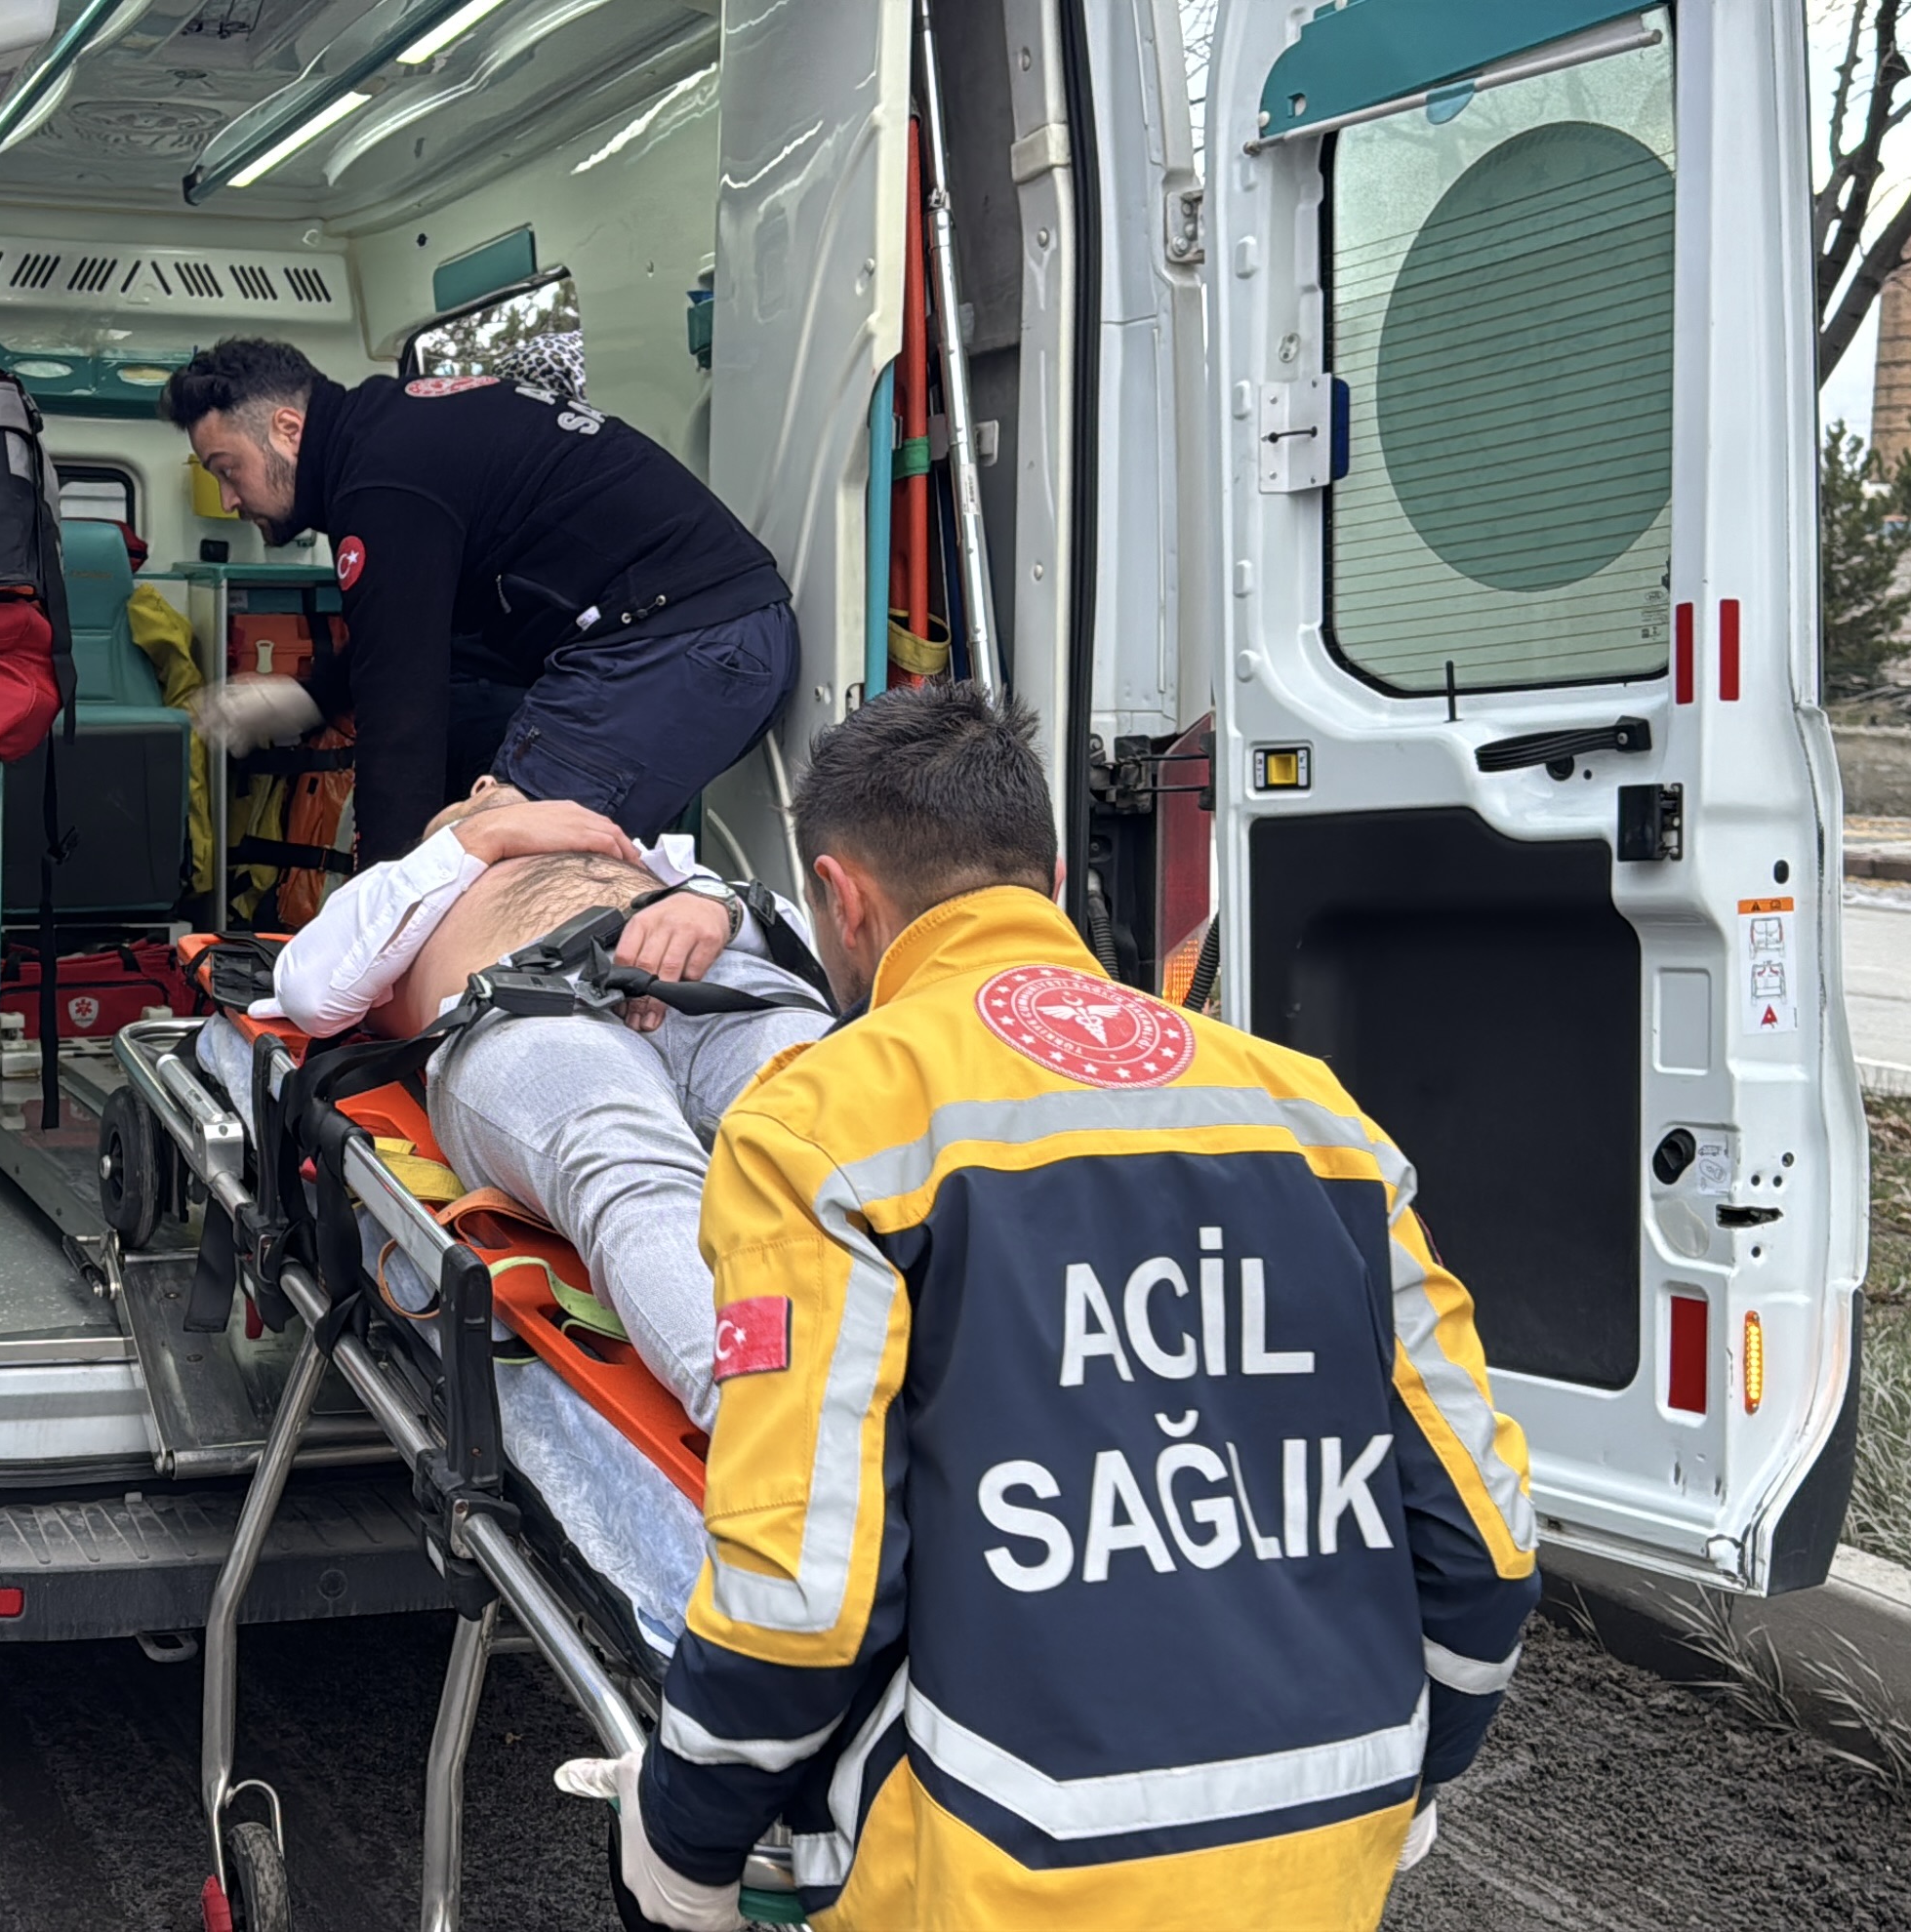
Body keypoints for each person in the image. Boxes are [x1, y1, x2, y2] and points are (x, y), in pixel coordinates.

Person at [584, 684, 1541, 1931]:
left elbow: (804, 1594)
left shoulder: (822, 1124)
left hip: (1005, 1859)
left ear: (840, 897)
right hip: (1327, 1848)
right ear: (1043, 877)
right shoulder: (1316, 1114)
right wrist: (1415, 1766)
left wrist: (682, 1842)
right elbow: (1483, 1541)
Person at [267, 781, 831, 1427]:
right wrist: (480, 836)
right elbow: (312, 993)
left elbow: (817, 946)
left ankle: (920, 1381)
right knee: (635, 1174)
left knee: (845, 1134)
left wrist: (718, 908)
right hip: (524, 1008)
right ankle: (785, 1432)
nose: (488, 783)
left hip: (720, 985)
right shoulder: (401, 882)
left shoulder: (650, 857)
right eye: (468, 795)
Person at [161, 338, 796, 865]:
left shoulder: (380, 483)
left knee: (506, 869)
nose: (228, 499)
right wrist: (312, 695)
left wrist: (382, 898)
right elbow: (418, 640)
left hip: (674, 644)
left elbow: (401, 710)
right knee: (474, 757)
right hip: (724, 636)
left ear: (287, 429)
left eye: (226, 468)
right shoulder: (391, 435)